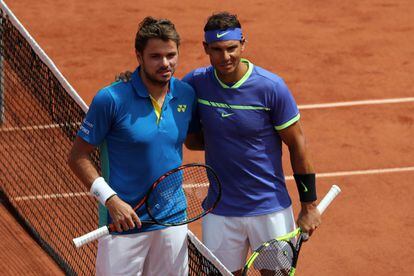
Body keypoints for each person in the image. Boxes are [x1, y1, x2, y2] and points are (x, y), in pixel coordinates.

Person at [182, 12, 322, 275]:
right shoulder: (195, 84)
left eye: (232, 48)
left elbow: (297, 144)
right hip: (220, 212)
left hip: (268, 211)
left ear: (243, 44)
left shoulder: (271, 88)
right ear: (206, 49)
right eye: (217, 50)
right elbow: (189, 135)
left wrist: (309, 207)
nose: (226, 57)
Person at [68, 16, 197, 275]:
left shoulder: (185, 94)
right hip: (123, 225)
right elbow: (77, 157)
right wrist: (111, 201)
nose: (165, 63)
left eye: (171, 55)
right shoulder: (111, 99)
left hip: (172, 222)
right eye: (155, 56)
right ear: (139, 56)